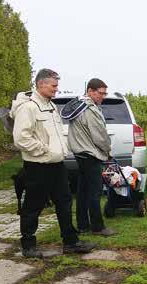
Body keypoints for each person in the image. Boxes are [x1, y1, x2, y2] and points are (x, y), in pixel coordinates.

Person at [12, 68, 95, 258]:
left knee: (64, 202)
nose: (56, 89)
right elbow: (21, 139)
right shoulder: (29, 107)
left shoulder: (50, 106)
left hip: (57, 165)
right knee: (33, 206)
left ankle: (70, 242)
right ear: (41, 84)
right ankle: (28, 245)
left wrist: (59, 151)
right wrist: (44, 150)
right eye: (53, 85)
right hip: (38, 166)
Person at [62, 78, 117, 236]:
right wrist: (108, 151)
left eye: (105, 93)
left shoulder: (79, 105)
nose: (103, 96)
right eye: (101, 93)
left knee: (83, 191)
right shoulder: (89, 109)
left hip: (80, 153)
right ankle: (98, 227)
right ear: (91, 91)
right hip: (90, 154)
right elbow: (99, 136)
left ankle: (82, 224)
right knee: (95, 191)